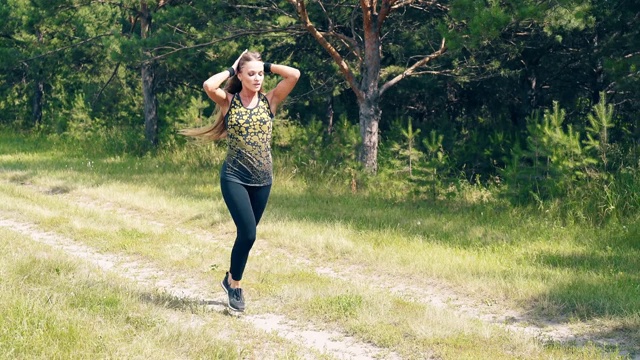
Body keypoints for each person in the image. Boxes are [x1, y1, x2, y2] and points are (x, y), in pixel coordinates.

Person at [181, 50, 300, 312]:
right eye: (252, 74)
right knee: (248, 232)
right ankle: (235, 286)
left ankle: (228, 278)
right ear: (241, 76)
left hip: (263, 179)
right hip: (234, 176)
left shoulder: (270, 100)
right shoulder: (228, 102)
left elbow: (294, 74)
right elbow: (208, 86)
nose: (258, 78)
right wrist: (230, 70)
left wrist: (265, 65)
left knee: (246, 238)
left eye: (260, 74)